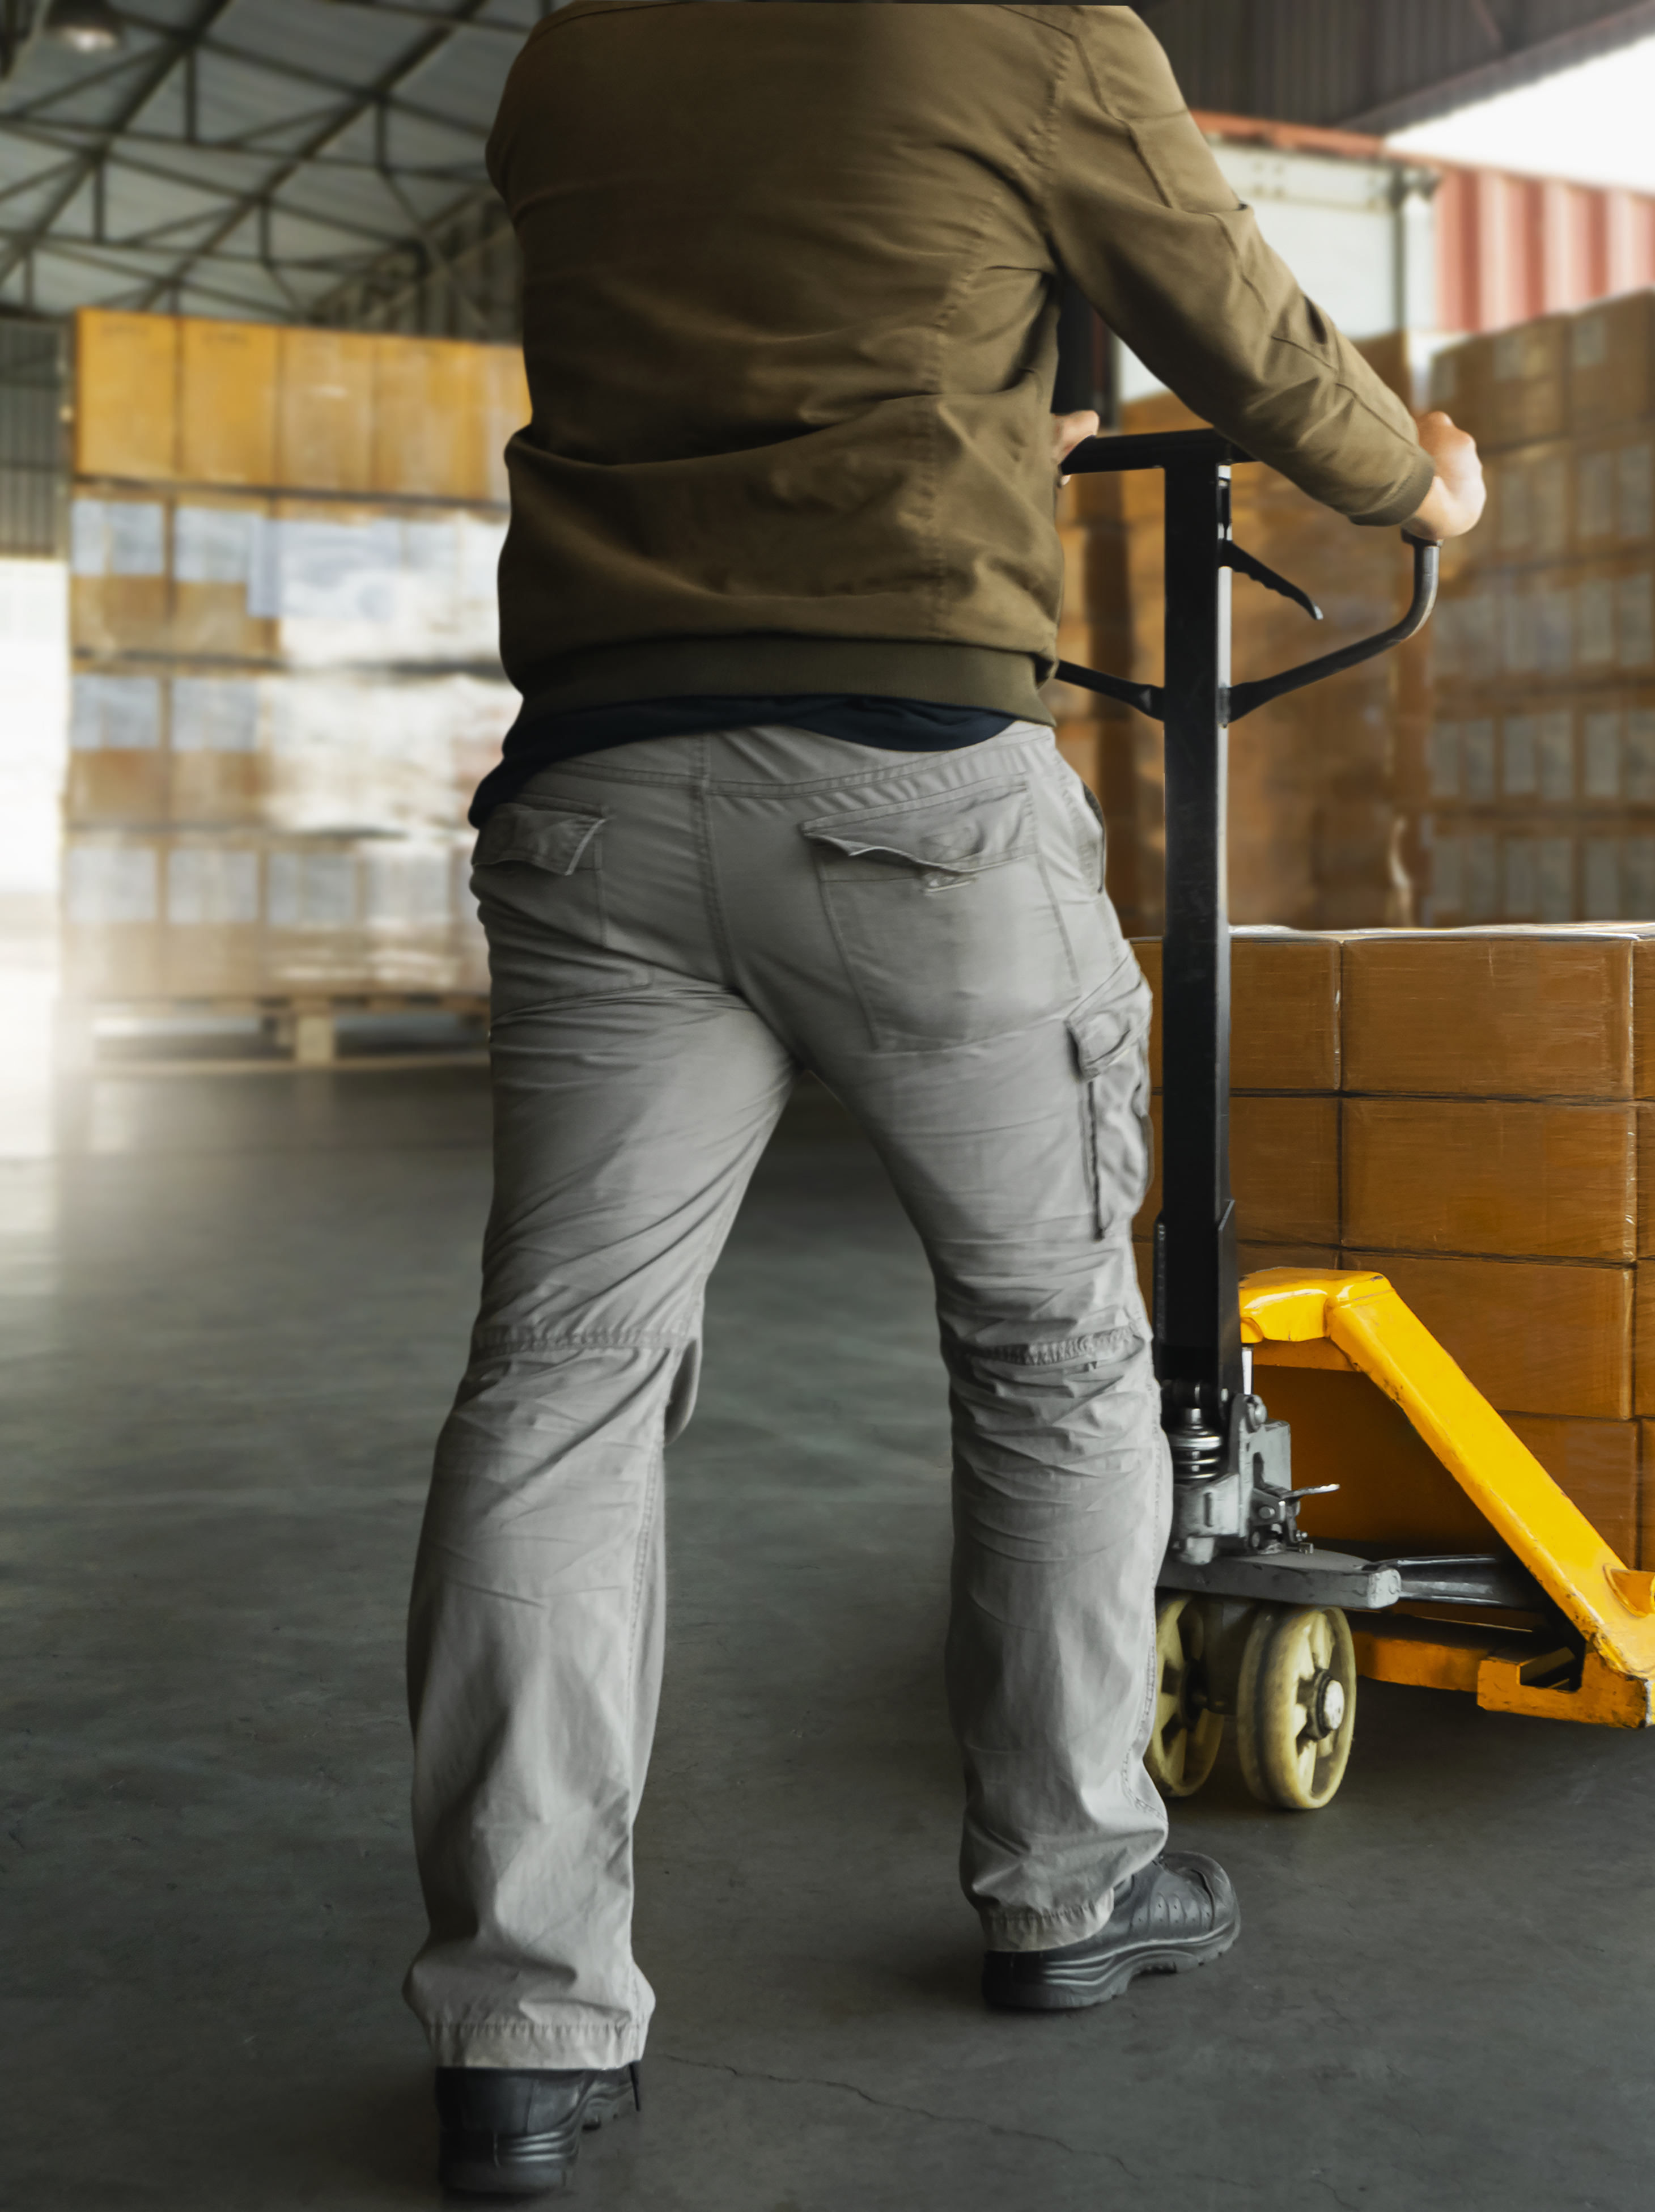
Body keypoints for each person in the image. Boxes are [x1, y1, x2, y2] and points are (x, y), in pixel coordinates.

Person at [404, 4, 1484, 2195]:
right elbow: (1252, 334)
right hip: (910, 782)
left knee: (562, 1388)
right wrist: (1418, 474)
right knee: (1054, 1340)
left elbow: (757, 285)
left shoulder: (570, 62)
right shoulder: (1033, 36)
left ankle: (523, 2024)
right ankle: (1074, 1879)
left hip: (601, 783)